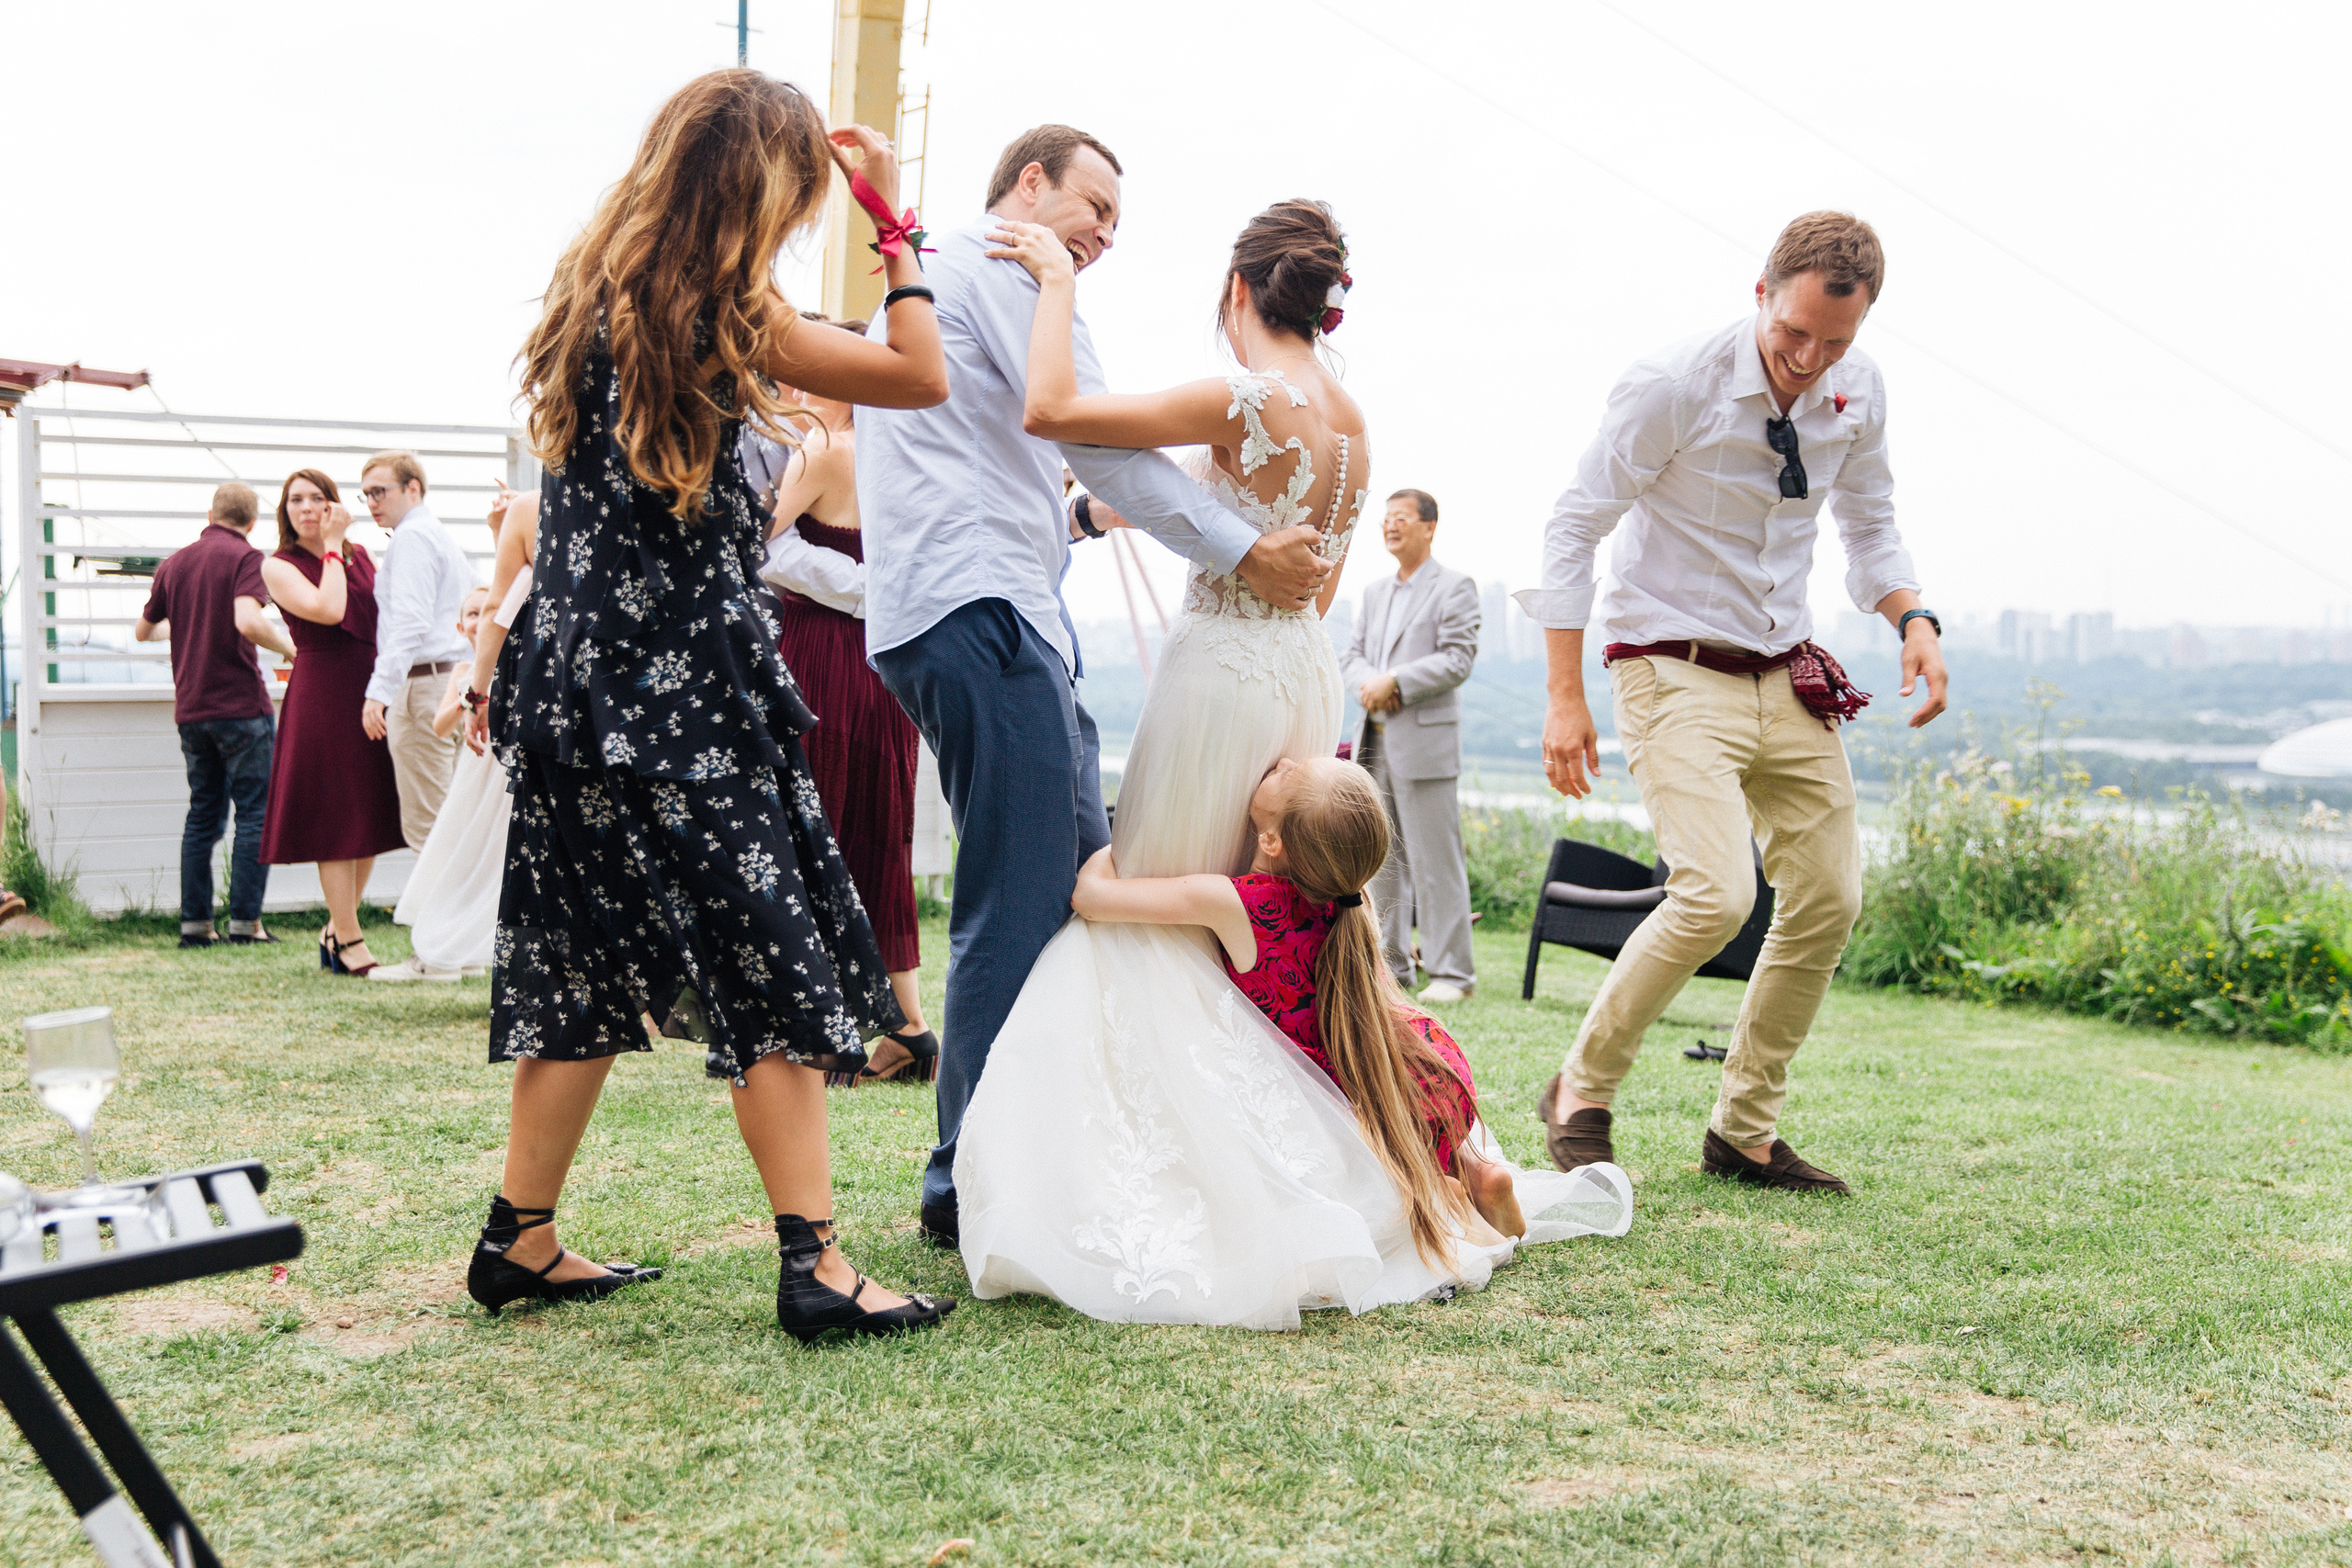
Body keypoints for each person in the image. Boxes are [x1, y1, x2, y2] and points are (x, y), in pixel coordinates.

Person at [944, 198, 1624, 1331]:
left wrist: (1058, 283)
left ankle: (1213, 1182)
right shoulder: (1350, 421)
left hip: (1220, 679)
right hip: (1304, 678)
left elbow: (1051, 406)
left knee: (1158, 931)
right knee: (1293, 934)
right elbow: (1285, 556)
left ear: (1236, 291)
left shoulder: (1246, 397)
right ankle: (1420, 1149)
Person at [472, 69, 956, 1343]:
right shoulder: (723, 315)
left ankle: (518, 1234)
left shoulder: (596, 293)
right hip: (685, 698)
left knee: (580, 967)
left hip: (574, 695)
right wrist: (892, 221)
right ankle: (819, 1265)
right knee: (774, 963)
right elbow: (919, 370)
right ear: (767, 189)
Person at [858, 126, 1335, 1250]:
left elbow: (1021, 471)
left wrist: (1080, 520)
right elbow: (1095, 444)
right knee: (1016, 903)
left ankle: (1055, 1144)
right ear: (1029, 184)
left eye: (1117, 225)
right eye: (1095, 208)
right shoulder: (996, 270)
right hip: (983, 615)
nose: (1106, 237)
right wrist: (1238, 548)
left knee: (1082, 879)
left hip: (983, 608)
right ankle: (965, 1180)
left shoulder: (950, 284)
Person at [1524, 210, 1950, 1196]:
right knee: (1716, 894)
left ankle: (1743, 1130)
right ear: (1760, 294)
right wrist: (1563, 696)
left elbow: (1870, 523)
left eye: (1834, 341)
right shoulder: (1674, 384)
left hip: (1783, 669)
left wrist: (1913, 619)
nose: (1808, 358)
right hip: (1667, 661)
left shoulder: (1857, 387)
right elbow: (1572, 526)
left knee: (1830, 899)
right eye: (1793, 332)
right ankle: (1580, 1090)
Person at [1067, 756, 1600, 1254]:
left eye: (1293, 775)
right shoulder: (1352, 896)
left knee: (1386, 1165)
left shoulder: (1237, 903)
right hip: (1422, 1068)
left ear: (1272, 841)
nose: (1288, 760)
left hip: (1345, 1089)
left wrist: (1134, 838)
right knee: (1415, 1135)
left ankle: (1448, 1199)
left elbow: (1090, 898)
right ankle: (1474, 1171)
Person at [747, 317, 936, 1081]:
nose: (792, 376)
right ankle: (906, 1025)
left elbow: (760, 546)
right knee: (874, 830)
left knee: (815, 825)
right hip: (884, 668)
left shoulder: (822, 449)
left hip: (825, 654)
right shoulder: (905, 455)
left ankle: (833, 1022)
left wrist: (863, 596)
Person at [133, 480, 296, 947]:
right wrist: (291, 648)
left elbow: (144, 631)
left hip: (191, 711)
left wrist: (188, 627)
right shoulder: (248, 559)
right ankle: (246, 924)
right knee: (254, 815)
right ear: (252, 522)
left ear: (210, 514)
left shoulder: (174, 563)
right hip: (241, 708)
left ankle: (195, 925)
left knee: (202, 817)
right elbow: (248, 620)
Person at [259, 469, 408, 975]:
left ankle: (334, 926)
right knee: (335, 817)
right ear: (285, 511)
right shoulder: (277, 566)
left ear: (332, 505)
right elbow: (328, 608)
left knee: (366, 814)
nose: (306, 507)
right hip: (322, 691)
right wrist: (331, 546)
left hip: (369, 687)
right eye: (295, 500)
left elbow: (385, 613)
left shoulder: (360, 555)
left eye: (317, 499)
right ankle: (348, 937)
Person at [1340, 488, 1480, 1002]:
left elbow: (1458, 659)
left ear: (1429, 527)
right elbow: (1352, 654)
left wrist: (1394, 680)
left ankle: (1452, 975)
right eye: (1385, 519)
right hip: (1373, 739)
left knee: (1436, 861)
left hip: (1426, 746)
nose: (1390, 527)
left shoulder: (1455, 586)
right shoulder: (1374, 592)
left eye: (1401, 518)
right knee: (1382, 860)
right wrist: (1367, 682)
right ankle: (1390, 966)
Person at [374, 585, 501, 981]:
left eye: (486, 611)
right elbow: (440, 725)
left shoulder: (514, 665)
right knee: (453, 849)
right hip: (471, 773)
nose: (479, 619)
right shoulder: (463, 673)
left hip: (502, 772)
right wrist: (469, 700)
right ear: (461, 627)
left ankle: (470, 949)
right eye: (472, 614)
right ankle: (443, 948)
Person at [358, 450, 473, 851]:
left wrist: (379, 691)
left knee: (430, 832)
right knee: (456, 823)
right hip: (455, 682)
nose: (372, 503)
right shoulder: (439, 536)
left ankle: (438, 915)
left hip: (423, 686)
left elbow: (410, 622)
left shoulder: (411, 536)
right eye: (366, 495)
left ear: (412, 488)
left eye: (379, 492)